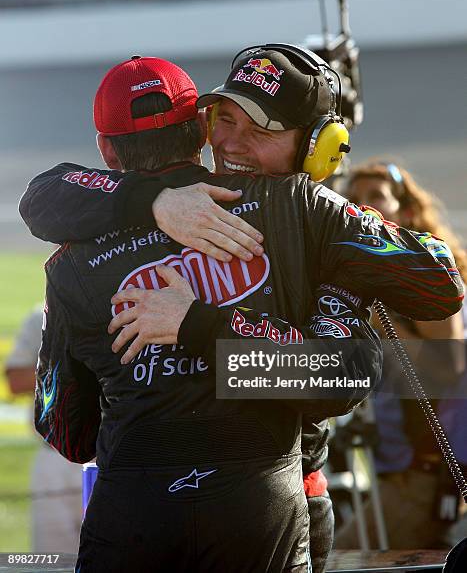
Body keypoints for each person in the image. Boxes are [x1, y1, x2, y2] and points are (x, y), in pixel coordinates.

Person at [20, 51, 462, 572]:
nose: (233, 143)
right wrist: (158, 203)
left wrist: (192, 332)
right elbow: (336, 381)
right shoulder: (299, 208)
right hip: (271, 502)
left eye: (260, 130)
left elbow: (67, 433)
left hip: (136, 511)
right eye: (226, 120)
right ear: (200, 130)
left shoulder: (71, 258)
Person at [332, 157, 467, 550]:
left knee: (339, 558)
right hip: (394, 470)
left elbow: (449, 365)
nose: (363, 205)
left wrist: (381, 312)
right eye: (355, 198)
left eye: (376, 196)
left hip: (423, 475)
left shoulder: (426, 273)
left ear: (406, 211)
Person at [5, 306, 82, 553]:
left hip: (110, 457)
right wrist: (75, 365)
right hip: (54, 457)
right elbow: (16, 380)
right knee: (53, 560)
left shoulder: (123, 309)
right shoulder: (42, 316)